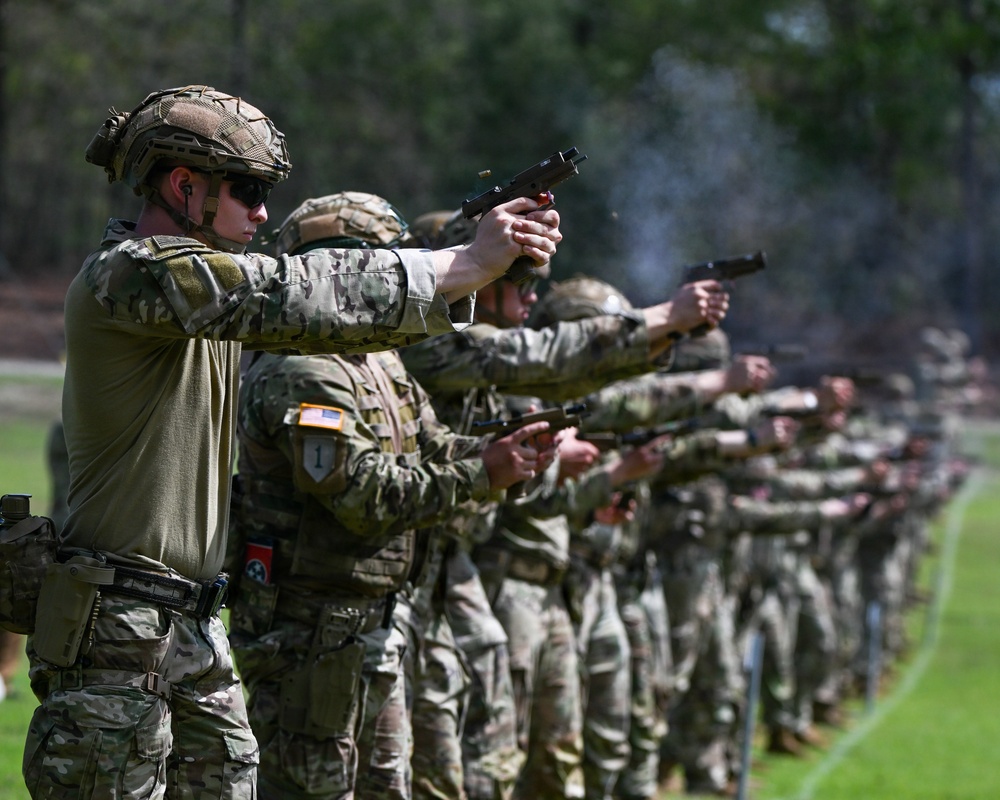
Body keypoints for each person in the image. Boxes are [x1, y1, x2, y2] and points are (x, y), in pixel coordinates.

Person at [21, 85, 561, 799]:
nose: (264, 213)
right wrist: (464, 264)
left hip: (185, 622)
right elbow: (292, 292)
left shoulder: (204, 299)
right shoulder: (133, 276)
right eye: (247, 190)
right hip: (119, 627)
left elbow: (327, 321)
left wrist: (467, 268)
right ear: (184, 186)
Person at [228, 190, 555, 800]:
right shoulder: (304, 370)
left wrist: (509, 453)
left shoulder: (378, 361)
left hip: (369, 625)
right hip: (310, 632)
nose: (393, 282)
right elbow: (367, 496)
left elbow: (430, 447)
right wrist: (485, 472)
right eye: (382, 264)